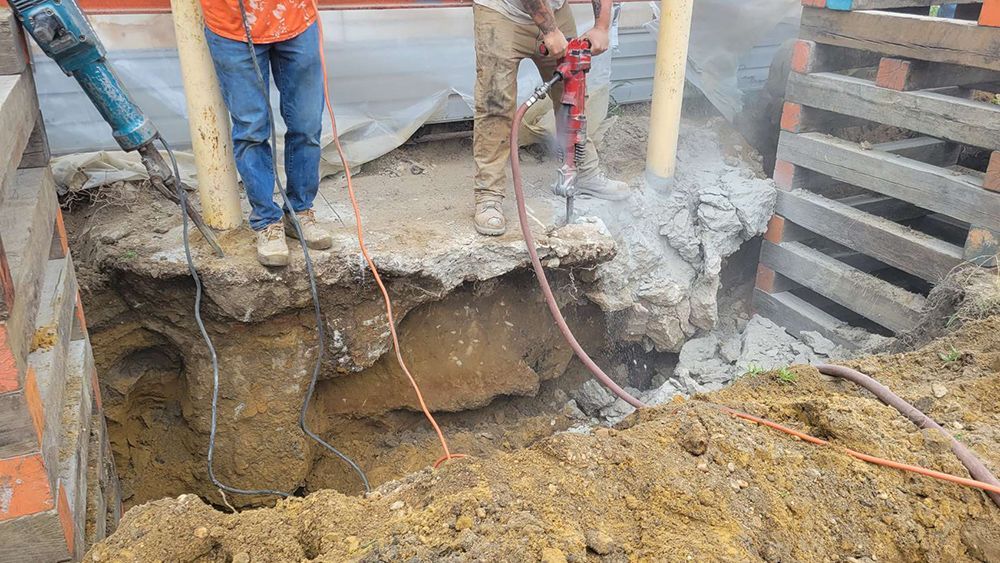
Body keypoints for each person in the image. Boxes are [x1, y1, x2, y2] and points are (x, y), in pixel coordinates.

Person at [471, 0, 631, 236]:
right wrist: (550, 30)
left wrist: (602, 26)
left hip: (556, 9)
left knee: (572, 90)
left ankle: (584, 172)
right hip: (501, 11)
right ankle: (489, 194)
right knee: (496, 103)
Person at [200, 0, 332, 266]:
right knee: (251, 130)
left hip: (296, 18)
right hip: (232, 26)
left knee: (307, 125)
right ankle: (266, 221)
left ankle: (300, 212)